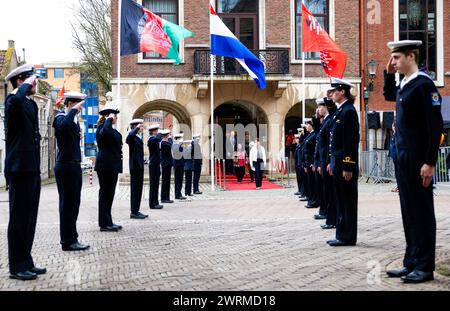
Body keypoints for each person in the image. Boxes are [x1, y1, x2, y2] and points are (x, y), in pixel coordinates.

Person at [384, 40, 443, 283]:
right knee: (408, 212)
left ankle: (424, 266)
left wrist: (430, 162)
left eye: (396, 58)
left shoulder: (423, 85)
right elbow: (389, 95)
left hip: (419, 159)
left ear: (411, 56)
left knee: (421, 212)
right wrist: (388, 75)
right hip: (404, 157)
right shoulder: (405, 85)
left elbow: (434, 126)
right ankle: (411, 261)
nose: (393, 62)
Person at [4, 64, 46, 280]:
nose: (35, 84)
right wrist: (22, 88)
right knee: (18, 218)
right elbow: (15, 103)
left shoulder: (30, 104)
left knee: (29, 218)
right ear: (20, 81)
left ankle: (26, 260)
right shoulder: (13, 100)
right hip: (18, 168)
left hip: (31, 167)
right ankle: (16, 266)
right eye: (32, 80)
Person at [53, 92, 90, 251]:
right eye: (78, 106)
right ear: (70, 104)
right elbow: (63, 127)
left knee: (74, 204)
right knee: (67, 205)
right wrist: (73, 110)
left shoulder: (73, 121)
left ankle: (72, 238)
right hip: (65, 166)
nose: (80, 110)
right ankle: (67, 241)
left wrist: (74, 112)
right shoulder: (60, 117)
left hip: (74, 166)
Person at [327, 77, 360, 247]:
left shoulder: (349, 111)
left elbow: (350, 141)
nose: (331, 94)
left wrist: (348, 165)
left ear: (342, 91)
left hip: (344, 165)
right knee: (340, 200)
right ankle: (341, 233)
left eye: (333, 91)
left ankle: (348, 236)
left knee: (347, 201)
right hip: (338, 163)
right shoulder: (340, 111)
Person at [95, 105, 123, 232]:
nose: (116, 118)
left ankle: (108, 221)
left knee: (109, 194)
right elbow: (105, 133)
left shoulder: (111, 129)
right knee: (105, 194)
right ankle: (104, 224)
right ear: (108, 116)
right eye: (114, 115)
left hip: (112, 166)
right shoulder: (102, 128)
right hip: (105, 166)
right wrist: (108, 120)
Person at [316, 96, 338, 229]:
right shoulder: (327, 120)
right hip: (324, 161)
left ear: (326, 106)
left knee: (330, 193)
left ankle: (332, 219)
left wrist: (330, 161)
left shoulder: (331, 120)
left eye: (320, 106)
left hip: (328, 161)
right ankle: (330, 218)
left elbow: (331, 143)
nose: (318, 110)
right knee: (327, 191)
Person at [126, 118, 148, 219]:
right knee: (135, 189)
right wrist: (136, 129)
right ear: (136, 126)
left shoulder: (138, 137)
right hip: (135, 166)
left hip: (139, 166)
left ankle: (136, 210)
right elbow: (129, 136)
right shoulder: (132, 136)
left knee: (139, 189)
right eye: (140, 126)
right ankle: (134, 212)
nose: (142, 128)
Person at [303, 120, 319, 208]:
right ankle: (311, 199)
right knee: (310, 182)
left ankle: (314, 201)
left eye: (307, 125)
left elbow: (314, 151)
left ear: (311, 126)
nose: (306, 126)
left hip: (311, 162)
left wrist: (313, 163)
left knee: (313, 183)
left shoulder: (314, 135)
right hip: (308, 162)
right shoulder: (309, 135)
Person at [148, 124, 163, 209]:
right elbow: (158, 138)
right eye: (157, 131)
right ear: (154, 131)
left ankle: (155, 202)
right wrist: (161, 133)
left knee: (156, 184)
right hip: (153, 164)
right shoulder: (152, 139)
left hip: (156, 164)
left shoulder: (154, 139)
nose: (158, 132)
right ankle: (153, 204)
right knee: (153, 185)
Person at [160, 129, 174, 204]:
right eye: (168, 134)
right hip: (166, 164)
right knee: (165, 181)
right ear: (167, 135)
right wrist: (170, 138)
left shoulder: (164, 142)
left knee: (167, 181)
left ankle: (166, 197)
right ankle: (164, 198)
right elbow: (170, 145)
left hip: (167, 164)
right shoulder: (164, 143)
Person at [172, 133, 187, 200]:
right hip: (178, 165)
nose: (182, 139)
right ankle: (177, 194)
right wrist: (180, 146)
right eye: (181, 138)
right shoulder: (175, 145)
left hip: (180, 164)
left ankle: (178, 193)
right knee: (178, 180)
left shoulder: (179, 145)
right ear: (178, 139)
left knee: (180, 180)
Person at [388, 121, 399, 193]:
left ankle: (399, 187)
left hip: (397, 157)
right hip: (394, 157)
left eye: (393, 126)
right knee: (397, 173)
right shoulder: (394, 135)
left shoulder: (397, 135)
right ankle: (398, 186)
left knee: (398, 173)